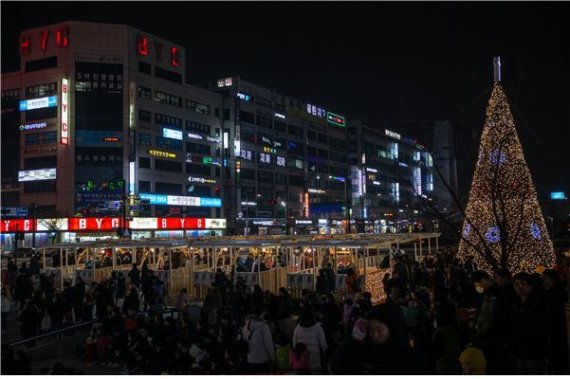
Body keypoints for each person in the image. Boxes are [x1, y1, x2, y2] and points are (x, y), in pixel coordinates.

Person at [329, 302, 431, 374]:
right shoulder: (366, 352)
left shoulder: (412, 359)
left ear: (392, 328)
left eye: (379, 330)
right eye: (371, 330)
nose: (375, 334)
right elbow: (337, 367)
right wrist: (352, 340)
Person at [509, 272, 550, 374]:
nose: (519, 287)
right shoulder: (515, 302)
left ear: (530, 285)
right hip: (519, 350)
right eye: (516, 284)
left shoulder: (539, 303)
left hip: (535, 351)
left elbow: (544, 327)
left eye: (522, 283)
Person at [541, 269, 568, 374]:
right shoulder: (544, 292)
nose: (543, 281)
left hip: (556, 328)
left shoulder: (557, 293)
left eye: (545, 279)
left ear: (553, 280)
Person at [292, 309, 327, 374]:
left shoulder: (298, 328)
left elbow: (294, 344)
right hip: (315, 363)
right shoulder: (317, 327)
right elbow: (323, 345)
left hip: (303, 363)